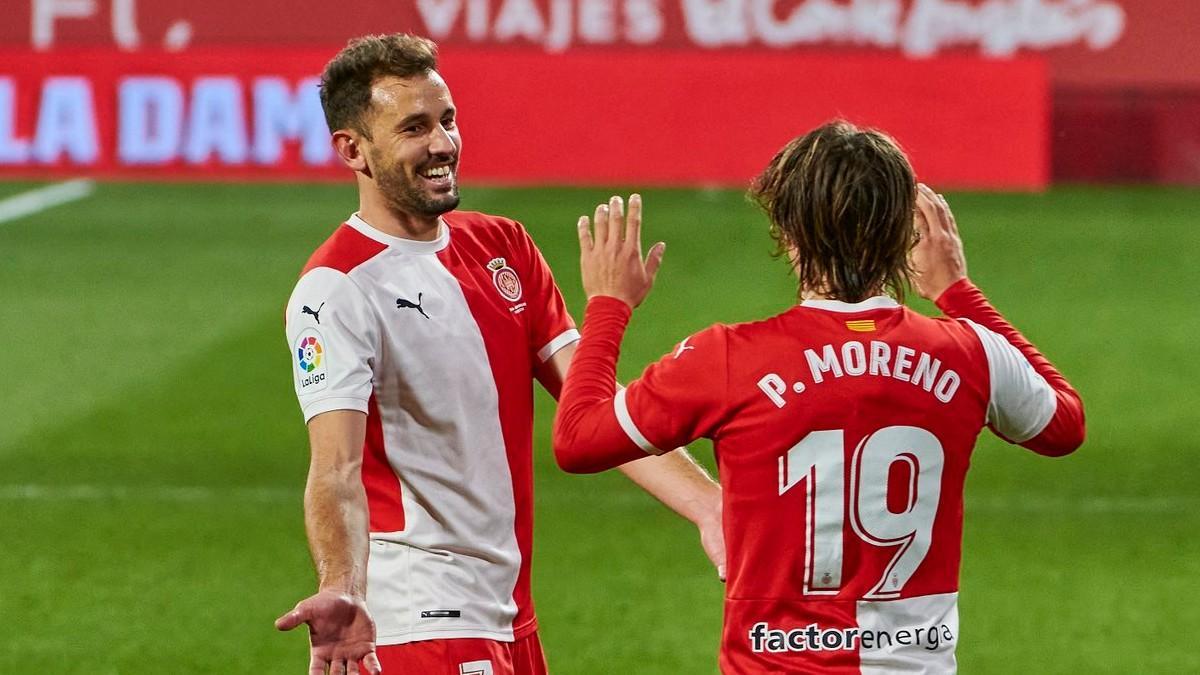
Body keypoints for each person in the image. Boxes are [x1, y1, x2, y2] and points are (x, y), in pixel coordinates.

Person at [552, 121, 1086, 673]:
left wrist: (609, 304)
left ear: (788, 234)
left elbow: (578, 440)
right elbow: (1064, 423)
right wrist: (957, 291)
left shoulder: (728, 358)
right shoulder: (971, 353)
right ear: (904, 235)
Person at [274, 34, 723, 675]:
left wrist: (710, 507)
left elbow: (594, 407)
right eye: (414, 128)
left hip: (508, 615)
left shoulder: (502, 246)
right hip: (423, 620)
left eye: (447, 120)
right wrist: (342, 586)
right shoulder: (336, 289)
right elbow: (336, 469)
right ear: (353, 150)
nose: (443, 144)